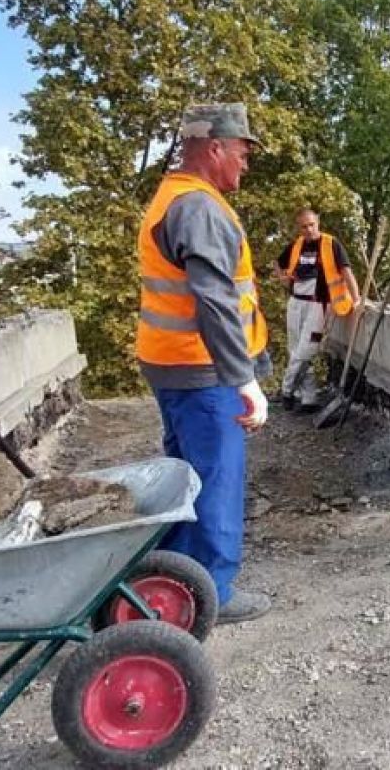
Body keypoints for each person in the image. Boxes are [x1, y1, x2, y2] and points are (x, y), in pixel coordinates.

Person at [135, 102, 273, 623]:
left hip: (172, 365)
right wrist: (245, 379)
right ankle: (212, 592)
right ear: (214, 148)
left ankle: (168, 581)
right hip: (202, 371)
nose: (246, 163)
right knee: (214, 479)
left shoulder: (172, 197)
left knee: (186, 479)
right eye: (242, 151)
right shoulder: (199, 208)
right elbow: (214, 300)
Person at [274, 208, 359, 411]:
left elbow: (347, 272)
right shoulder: (296, 246)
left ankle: (286, 390)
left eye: (312, 225)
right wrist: (281, 277)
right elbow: (278, 262)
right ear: (299, 228)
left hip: (319, 305)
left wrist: (357, 299)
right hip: (295, 303)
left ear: (318, 223)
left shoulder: (331, 244)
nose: (309, 229)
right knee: (294, 349)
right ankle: (308, 398)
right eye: (304, 226)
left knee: (306, 350)